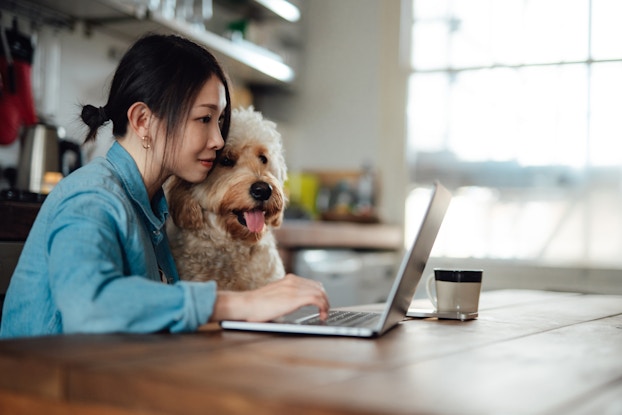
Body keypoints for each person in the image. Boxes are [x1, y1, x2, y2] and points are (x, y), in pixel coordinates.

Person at [0, 34, 329, 338]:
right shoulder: (92, 198)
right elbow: (89, 306)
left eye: (219, 121)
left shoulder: (150, 206)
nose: (217, 140)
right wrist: (239, 304)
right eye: (204, 119)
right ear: (143, 121)